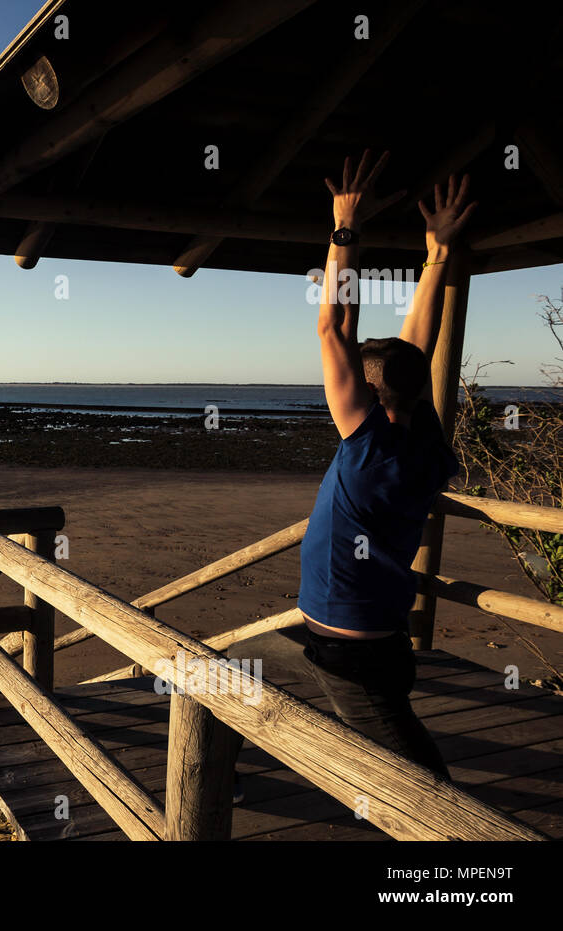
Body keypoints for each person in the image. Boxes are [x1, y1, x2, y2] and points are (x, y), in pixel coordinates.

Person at [226, 151, 475, 801]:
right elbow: (414, 351)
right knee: (231, 679)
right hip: (367, 639)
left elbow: (334, 323)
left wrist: (344, 230)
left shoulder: (369, 449)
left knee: (425, 792)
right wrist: (437, 257)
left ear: (367, 399)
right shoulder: (419, 440)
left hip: (350, 655)